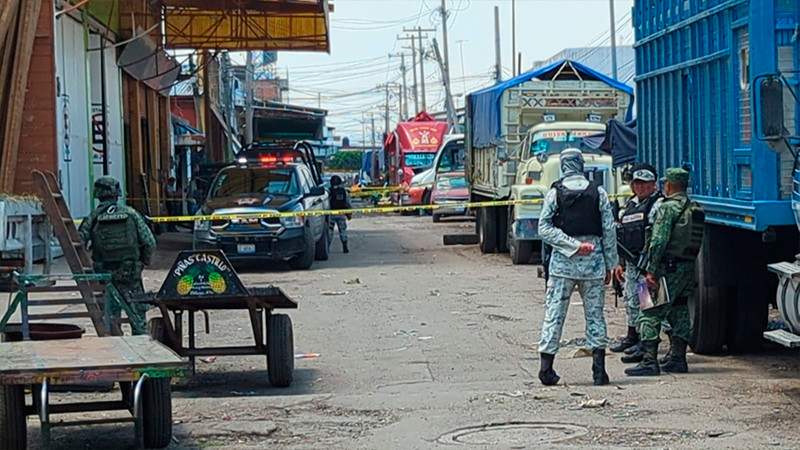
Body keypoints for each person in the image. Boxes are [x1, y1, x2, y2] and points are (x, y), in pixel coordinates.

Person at [537, 149, 618, 386]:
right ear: (581, 164)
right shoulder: (598, 192)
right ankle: (599, 372)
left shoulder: (555, 193)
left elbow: (544, 228)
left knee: (554, 314)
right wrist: (611, 264)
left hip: (562, 266)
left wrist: (572, 246)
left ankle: (546, 369)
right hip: (594, 264)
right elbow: (609, 231)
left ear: (563, 165)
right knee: (595, 316)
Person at [626, 168, 704, 376]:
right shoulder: (694, 208)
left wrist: (650, 270)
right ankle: (678, 358)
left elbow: (659, 240)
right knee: (679, 311)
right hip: (686, 268)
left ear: (668, 185)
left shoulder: (667, 208)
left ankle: (649, 361)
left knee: (648, 311)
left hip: (664, 268)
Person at [79, 176, 157, 335]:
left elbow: (79, 242)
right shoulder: (131, 213)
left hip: (105, 273)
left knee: (111, 314)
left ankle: (115, 341)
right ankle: (141, 344)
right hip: (130, 272)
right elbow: (150, 242)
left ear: (98, 194)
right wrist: (142, 263)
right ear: (117, 193)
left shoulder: (93, 217)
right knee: (137, 313)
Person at [612, 164, 663, 363]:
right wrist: (621, 263)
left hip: (646, 264)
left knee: (647, 304)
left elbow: (657, 238)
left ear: (653, 184)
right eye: (637, 183)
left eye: (645, 183)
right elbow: (622, 235)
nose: (640, 187)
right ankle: (633, 336)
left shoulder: (657, 205)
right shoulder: (629, 205)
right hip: (631, 263)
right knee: (631, 300)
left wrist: (651, 267)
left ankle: (646, 344)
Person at [329, 175, 352, 253]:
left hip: (331, 214)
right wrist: (349, 212)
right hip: (341, 214)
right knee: (342, 230)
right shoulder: (344, 191)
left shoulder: (329, 192)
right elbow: (348, 203)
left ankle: (327, 246)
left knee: (329, 231)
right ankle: (345, 246)